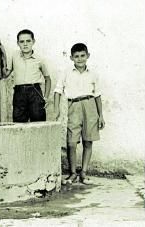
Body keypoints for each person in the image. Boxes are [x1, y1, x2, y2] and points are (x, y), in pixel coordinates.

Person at [54, 43, 105, 185]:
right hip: (74, 106)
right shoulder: (66, 72)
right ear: (71, 58)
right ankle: (72, 174)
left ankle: (84, 173)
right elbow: (58, 91)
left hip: (90, 106)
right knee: (71, 142)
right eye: (76, 56)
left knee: (88, 141)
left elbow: (98, 95)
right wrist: (57, 109)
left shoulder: (93, 74)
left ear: (88, 56)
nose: (80, 59)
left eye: (83, 56)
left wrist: (100, 115)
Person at [1, 29, 51, 122]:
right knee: (18, 123)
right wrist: (2, 55)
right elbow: (5, 74)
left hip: (35, 92)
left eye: (28, 41)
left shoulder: (39, 59)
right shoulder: (14, 56)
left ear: (33, 41)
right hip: (19, 93)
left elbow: (48, 79)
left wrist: (46, 97)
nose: (25, 44)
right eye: (22, 41)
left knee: (38, 122)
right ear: (18, 43)